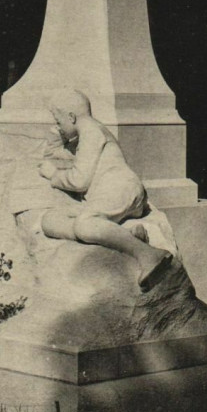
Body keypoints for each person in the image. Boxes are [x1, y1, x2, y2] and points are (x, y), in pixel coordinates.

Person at [38, 89, 172, 292]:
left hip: (121, 189)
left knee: (84, 224)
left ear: (71, 117)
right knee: (49, 221)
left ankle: (147, 254)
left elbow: (79, 180)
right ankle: (122, 235)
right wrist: (56, 134)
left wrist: (53, 176)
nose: (57, 127)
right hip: (108, 198)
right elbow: (55, 154)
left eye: (58, 122)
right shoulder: (84, 134)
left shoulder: (91, 131)